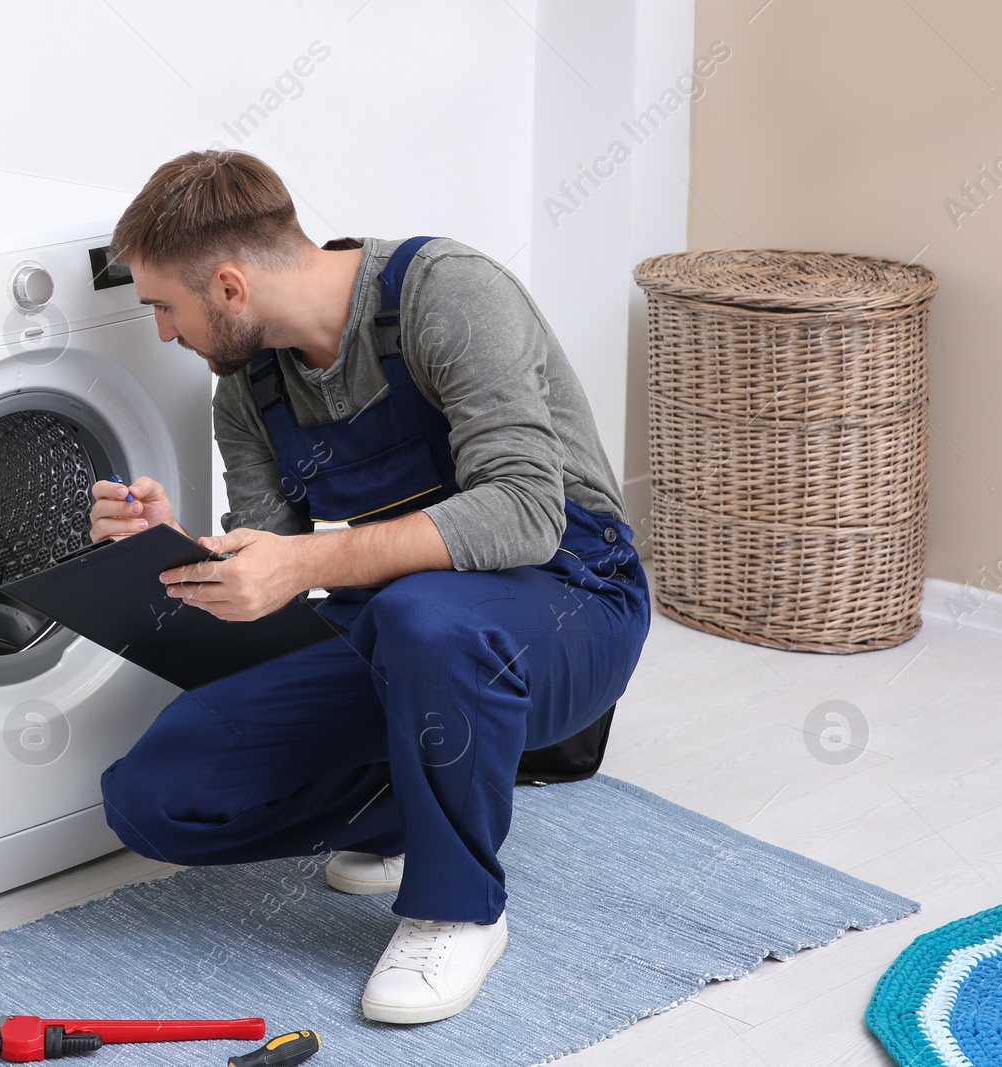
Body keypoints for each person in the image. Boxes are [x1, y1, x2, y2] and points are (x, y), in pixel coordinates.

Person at [91, 149, 651, 1024]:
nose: (164, 331)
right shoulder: (249, 389)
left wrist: (305, 564)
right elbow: (274, 565)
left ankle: (458, 908)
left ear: (230, 287)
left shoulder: (446, 293)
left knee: (421, 615)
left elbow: (525, 513)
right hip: (404, 641)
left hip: (573, 599)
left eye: (165, 306)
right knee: (151, 796)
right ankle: (411, 816)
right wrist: (173, 542)